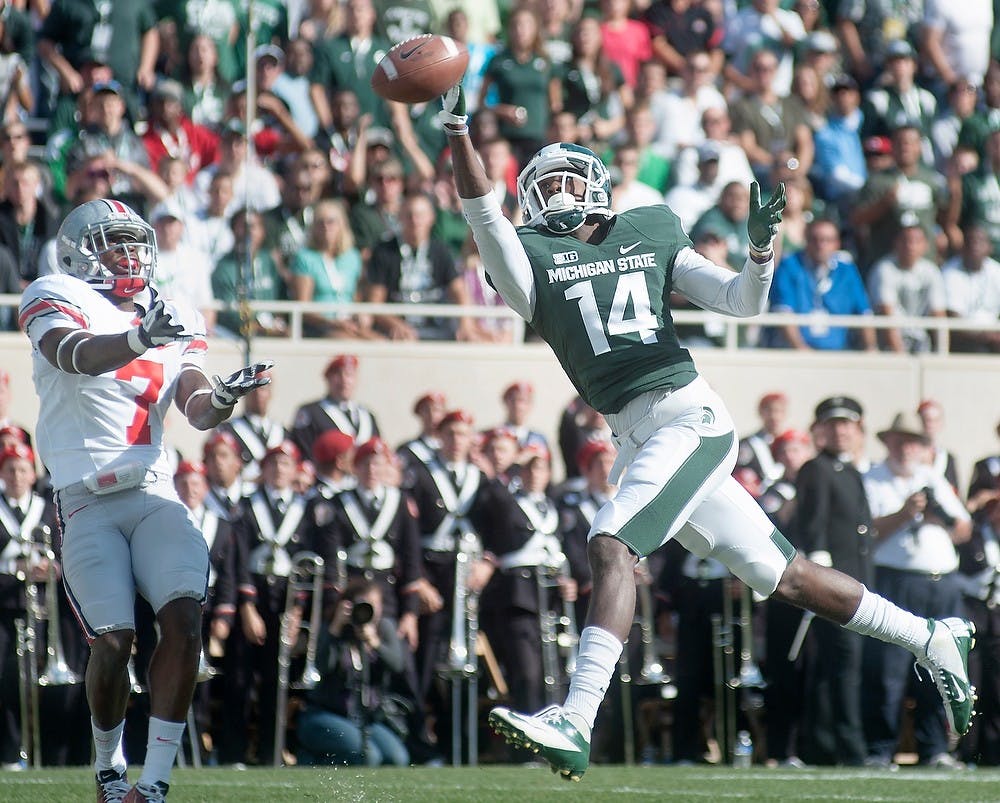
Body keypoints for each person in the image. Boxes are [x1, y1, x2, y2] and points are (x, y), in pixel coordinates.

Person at [436, 83, 977, 781]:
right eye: (546, 183)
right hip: (637, 433)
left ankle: (576, 714)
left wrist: (760, 249)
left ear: (597, 184)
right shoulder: (525, 258)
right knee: (785, 577)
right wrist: (456, 130)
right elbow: (480, 208)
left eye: (570, 178)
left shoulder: (650, 228)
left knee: (609, 540)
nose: (559, 192)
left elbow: (742, 303)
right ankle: (932, 638)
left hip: (687, 414)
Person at [17, 198, 271, 802]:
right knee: (113, 639)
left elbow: (196, 406)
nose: (131, 254)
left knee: (184, 620)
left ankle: (153, 783)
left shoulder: (174, 309)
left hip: (154, 489)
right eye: (114, 242)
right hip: (85, 498)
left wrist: (225, 398)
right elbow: (73, 355)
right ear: (80, 251)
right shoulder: (53, 292)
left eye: (136, 242)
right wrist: (137, 337)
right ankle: (110, 766)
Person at [862, 412, 972, 770]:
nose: (907, 448)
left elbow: (963, 530)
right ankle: (881, 748)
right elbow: (867, 532)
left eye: (914, 441)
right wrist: (905, 513)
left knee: (940, 670)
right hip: (897, 579)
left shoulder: (933, 478)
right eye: (901, 440)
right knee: (888, 671)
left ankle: (935, 748)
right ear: (889, 443)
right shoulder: (873, 479)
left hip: (941, 582)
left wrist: (938, 515)